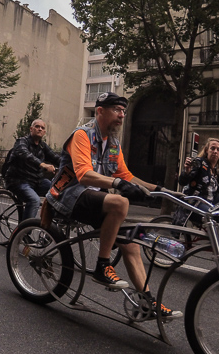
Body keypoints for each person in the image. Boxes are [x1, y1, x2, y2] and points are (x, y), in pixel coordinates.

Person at [46, 92, 181, 319]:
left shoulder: (113, 143)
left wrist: (160, 190)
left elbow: (125, 175)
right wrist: (117, 184)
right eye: (117, 110)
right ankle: (102, 265)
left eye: (124, 111)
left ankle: (147, 303)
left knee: (131, 243)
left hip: (94, 199)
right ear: (100, 111)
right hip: (70, 194)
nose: (122, 115)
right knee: (119, 202)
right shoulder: (82, 135)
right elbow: (84, 174)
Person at [5, 119, 60, 222]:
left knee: (58, 191)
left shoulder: (43, 146)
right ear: (31, 129)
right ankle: (24, 230)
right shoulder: (22, 141)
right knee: (34, 200)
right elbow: (25, 154)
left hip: (36, 182)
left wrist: (71, 166)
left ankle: (53, 224)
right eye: (37, 126)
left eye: (42, 128)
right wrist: (43, 164)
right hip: (18, 181)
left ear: (44, 132)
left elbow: (55, 157)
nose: (40, 129)